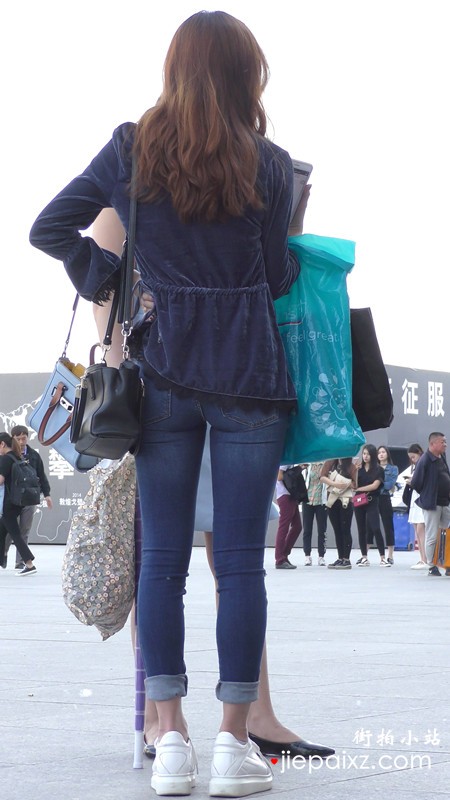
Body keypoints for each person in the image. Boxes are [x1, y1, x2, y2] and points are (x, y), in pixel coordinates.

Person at [30, 12, 316, 795]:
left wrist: (106, 276)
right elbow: (276, 277)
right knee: (241, 565)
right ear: (246, 75)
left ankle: (174, 745)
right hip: (250, 377)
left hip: (161, 376)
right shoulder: (269, 163)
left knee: (160, 563)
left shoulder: (133, 148)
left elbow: (49, 228)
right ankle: (233, 745)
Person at [91, 208, 335, 766]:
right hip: (168, 381)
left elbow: (269, 269)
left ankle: (250, 716)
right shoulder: (135, 176)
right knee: (171, 556)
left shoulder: (239, 171)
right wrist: (121, 384)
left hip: (225, 376)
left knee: (219, 559)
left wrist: (290, 215)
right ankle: (165, 721)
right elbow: (104, 283)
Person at [4, 425, 52, 569]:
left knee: (24, 530)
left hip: (29, 499)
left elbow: (41, 476)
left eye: (23, 438)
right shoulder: (7, 456)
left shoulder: (34, 455)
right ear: (12, 439)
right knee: (8, 530)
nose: (21, 441)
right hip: (11, 498)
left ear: (28, 438)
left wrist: (47, 494)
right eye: (18, 439)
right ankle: (3, 554)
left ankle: (21, 562)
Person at [410, 432, 450, 577]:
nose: (445, 444)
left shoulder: (442, 456)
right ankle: (431, 566)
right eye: (442, 442)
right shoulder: (425, 460)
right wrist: (428, 493)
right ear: (432, 444)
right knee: (432, 536)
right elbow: (415, 483)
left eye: (445, 442)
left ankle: (446, 563)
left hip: (445, 502)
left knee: (446, 534)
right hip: (432, 504)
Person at [0, 433, 37, 576]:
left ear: (2, 444)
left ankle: (29, 564)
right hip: (17, 501)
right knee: (2, 530)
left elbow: (0, 480)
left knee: (15, 534)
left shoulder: (5, 459)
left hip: (8, 503)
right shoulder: (17, 457)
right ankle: (2, 559)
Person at [354, 444, 391, 567]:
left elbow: (375, 486)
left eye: (368, 454)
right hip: (359, 501)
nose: (365, 456)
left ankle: (383, 557)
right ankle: (364, 557)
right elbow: (353, 484)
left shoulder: (378, 469)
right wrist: (354, 471)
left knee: (376, 527)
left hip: (372, 500)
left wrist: (359, 489)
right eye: (364, 454)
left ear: (373, 455)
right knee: (361, 529)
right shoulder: (359, 469)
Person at [320, 457, 357, 568]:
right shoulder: (330, 462)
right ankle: (340, 557)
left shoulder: (351, 466)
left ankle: (346, 559)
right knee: (337, 530)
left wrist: (344, 483)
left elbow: (355, 485)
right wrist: (334, 483)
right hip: (332, 498)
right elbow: (322, 477)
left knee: (345, 529)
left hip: (345, 500)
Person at [401, 444, 427, 569]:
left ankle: (425, 559)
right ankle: (422, 558)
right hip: (414, 499)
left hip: (421, 499)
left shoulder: (425, 465)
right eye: (410, 457)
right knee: (417, 530)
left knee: (421, 530)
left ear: (419, 454)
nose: (412, 459)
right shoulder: (415, 467)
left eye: (413, 457)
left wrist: (413, 482)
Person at [274, 466, 302, 569]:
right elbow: (279, 476)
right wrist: (297, 470)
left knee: (297, 526)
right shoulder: (286, 460)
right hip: (285, 495)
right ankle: (280, 559)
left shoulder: (289, 460)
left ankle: (283, 555)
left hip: (290, 494)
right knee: (284, 527)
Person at [302, 462, 327, 566]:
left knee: (322, 530)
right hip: (308, 501)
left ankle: (321, 556)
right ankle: (307, 555)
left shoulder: (326, 465)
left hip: (321, 501)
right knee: (307, 529)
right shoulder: (308, 465)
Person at [377, 445, 398, 565]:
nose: (381, 454)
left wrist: (376, 483)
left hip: (385, 497)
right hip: (374, 498)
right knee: (370, 526)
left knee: (388, 525)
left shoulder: (393, 468)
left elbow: (389, 485)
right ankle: (365, 555)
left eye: (383, 452)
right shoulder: (373, 467)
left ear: (387, 454)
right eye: (379, 452)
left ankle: (390, 555)